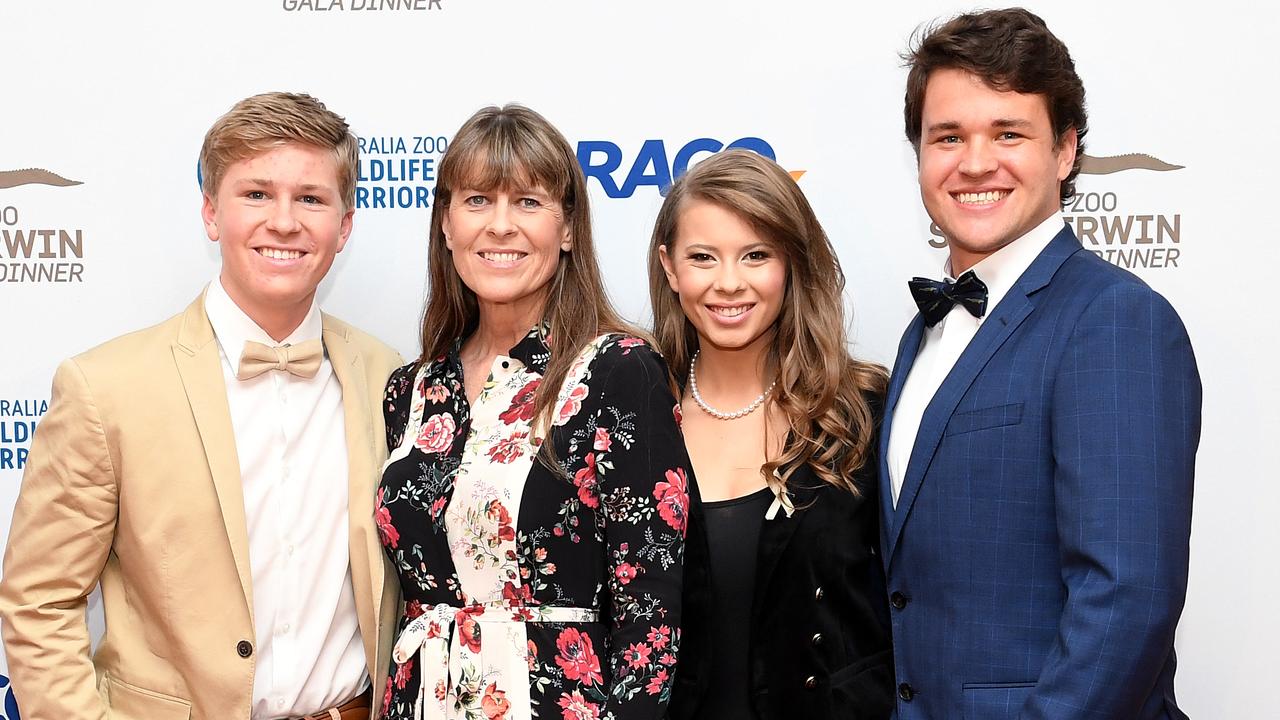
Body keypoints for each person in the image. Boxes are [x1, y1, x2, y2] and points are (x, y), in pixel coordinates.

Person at [0, 92, 403, 718]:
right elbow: (39, 600)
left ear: (344, 226)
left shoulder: (392, 379)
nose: (285, 221)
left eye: (312, 198)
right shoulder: (105, 387)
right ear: (211, 213)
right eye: (256, 194)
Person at [882, 9, 1202, 719]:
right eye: (948, 137)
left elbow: (1126, 600)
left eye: (1008, 133)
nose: (974, 162)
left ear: (1064, 151)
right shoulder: (920, 336)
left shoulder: (1114, 321)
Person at [377, 104, 691, 720]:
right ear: (446, 223)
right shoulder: (411, 390)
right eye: (476, 201)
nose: (500, 226)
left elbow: (651, 616)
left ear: (568, 227)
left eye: (527, 202)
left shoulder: (620, 373)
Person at [650, 149, 894, 720]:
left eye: (756, 255)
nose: (729, 284)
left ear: (791, 263)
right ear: (670, 268)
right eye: (703, 257)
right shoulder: (632, 417)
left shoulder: (860, 415)